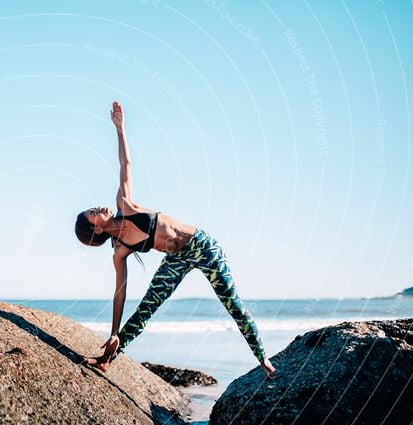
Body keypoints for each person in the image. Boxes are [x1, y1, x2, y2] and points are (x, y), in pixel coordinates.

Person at [74, 101, 277, 379]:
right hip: (177, 260)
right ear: (96, 230)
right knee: (146, 308)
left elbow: (126, 164)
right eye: (93, 214)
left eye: (93, 208)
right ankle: (107, 358)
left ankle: (263, 359)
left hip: (202, 246)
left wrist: (120, 129)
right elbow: (120, 293)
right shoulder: (120, 251)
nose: (98, 208)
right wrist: (112, 332)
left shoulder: (125, 204)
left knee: (231, 301)